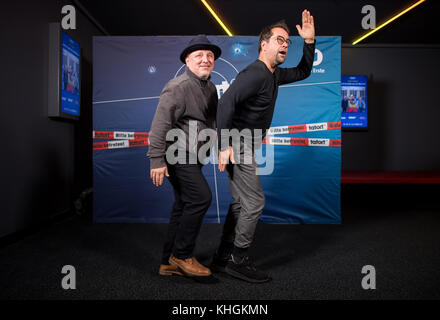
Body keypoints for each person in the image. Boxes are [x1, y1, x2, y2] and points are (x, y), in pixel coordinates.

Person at [212, 11, 316, 283]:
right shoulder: (255, 73)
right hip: (238, 143)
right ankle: (239, 260)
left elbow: (304, 71)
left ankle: (223, 256)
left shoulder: (274, 74)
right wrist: (224, 145)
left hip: (244, 143)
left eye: (287, 42)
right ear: (264, 44)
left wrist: (309, 41)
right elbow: (225, 103)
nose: (284, 45)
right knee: (255, 202)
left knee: (240, 205)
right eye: (280, 40)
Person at [147, 35, 221, 277]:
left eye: (209, 56)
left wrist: (219, 147)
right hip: (177, 154)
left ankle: (167, 263)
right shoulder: (177, 87)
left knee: (183, 205)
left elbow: (210, 122)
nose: (205, 59)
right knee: (201, 198)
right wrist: (157, 160)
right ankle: (182, 255)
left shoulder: (210, 88)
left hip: (195, 155)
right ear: (188, 60)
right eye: (199, 55)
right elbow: (160, 124)